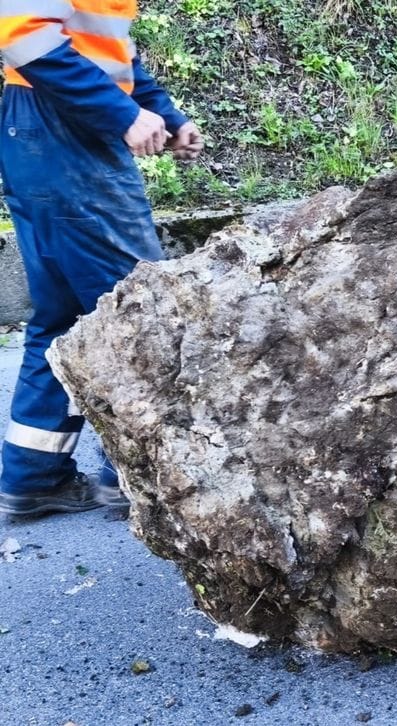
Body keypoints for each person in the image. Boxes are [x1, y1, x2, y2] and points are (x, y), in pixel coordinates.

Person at [0, 0, 202, 516]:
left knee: (64, 316)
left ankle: (33, 477)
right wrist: (122, 114)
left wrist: (163, 114)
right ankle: (140, 480)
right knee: (140, 312)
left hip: (43, 129)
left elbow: (109, 55)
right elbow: (19, 31)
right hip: (64, 128)